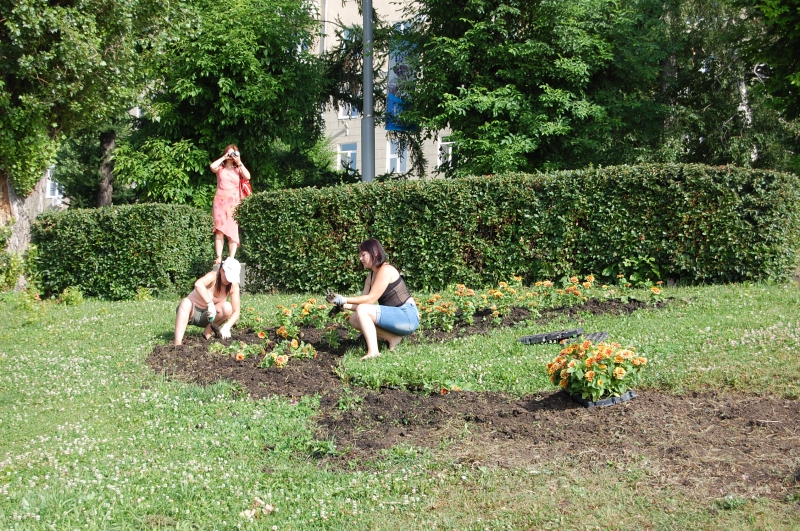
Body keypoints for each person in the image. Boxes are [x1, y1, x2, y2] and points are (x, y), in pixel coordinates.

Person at [326, 239, 420, 360]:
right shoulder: (370, 277)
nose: (360, 258)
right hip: (395, 317)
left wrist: (344, 298)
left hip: (408, 317)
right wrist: (341, 303)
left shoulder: (386, 270)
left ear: (375, 252)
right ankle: (393, 338)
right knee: (354, 319)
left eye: (363, 254)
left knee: (363, 310)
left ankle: (373, 352)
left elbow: (370, 299)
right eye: (359, 255)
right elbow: (362, 305)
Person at [175, 257, 241, 345]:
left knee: (227, 307)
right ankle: (178, 343)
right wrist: (210, 304)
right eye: (228, 276)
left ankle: (207, 332)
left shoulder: (233, 285)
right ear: (221, 270)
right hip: (191, 312)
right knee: (185, 302)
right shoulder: (213, 276)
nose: (229, 280)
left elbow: (236, 311)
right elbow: (198, 284)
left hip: (208, 317)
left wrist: (227, 326)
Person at [210, 145, 251, 264]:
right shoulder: (220, 169)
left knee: (233, 230)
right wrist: (224, 157)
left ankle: (231, 258)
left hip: (233, 202)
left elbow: (248, 176)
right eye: (229, 153)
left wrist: (239, 161)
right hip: (220, 201)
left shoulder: (238, 169)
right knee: (219, 230)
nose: (231, 156)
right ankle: (218, 257)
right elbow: (212, 166)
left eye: (233, 153)